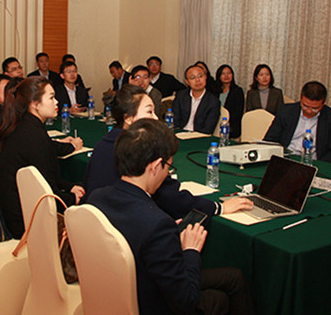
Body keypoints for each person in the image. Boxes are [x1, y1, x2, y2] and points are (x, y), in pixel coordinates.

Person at [87, 119, 255, 315]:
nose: (167, 173)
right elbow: (186, 301)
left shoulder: (96, 198)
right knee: (218, 299)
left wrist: (168, 238)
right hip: (147, 301)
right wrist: (190, 250)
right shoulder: (156, 224)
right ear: (155, 166)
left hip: (111, 291)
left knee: (233, 278)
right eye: (168, 168)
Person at [84, 84, 252, 219]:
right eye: (149, 111)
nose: (156, 118)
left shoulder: (104, 142)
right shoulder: (140, 150)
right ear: (128, 118)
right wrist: (219, 207)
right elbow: (171, 198)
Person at [0, 77, 85, 238]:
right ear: (35, 104)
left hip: (10, 208)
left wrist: (69, 187)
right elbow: (47, 193)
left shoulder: (21, 125)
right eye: (51, 98)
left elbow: (47, 178)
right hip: (24, 220)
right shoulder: (34, 136)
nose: (56, 102)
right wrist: (72, 197)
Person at [264, 81, 331, 164]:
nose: (309, 111)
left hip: (315, 162)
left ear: (323, 104)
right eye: (305, 106)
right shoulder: (286, 111)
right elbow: (270, 140)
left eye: (315, 108)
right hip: (286, 159)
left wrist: (320, 165)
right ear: (301, 98)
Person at [172, 64, 221, 134]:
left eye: (200, 76)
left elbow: (208, 128)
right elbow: (175, 120)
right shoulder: (181, 96)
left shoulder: (213, 101)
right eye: (193, 78)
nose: (197, 80)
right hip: (180, 133)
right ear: (187, 82)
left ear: (205, 77)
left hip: (199, 136)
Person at [215, 64, 245, 139]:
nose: (226, 76)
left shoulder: (237, 91)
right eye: (223, 74)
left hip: (231, 127)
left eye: (229, 73)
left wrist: (227, 124)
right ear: (219, 76)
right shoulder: (215, 91)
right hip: (216, 125)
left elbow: (238, 112)